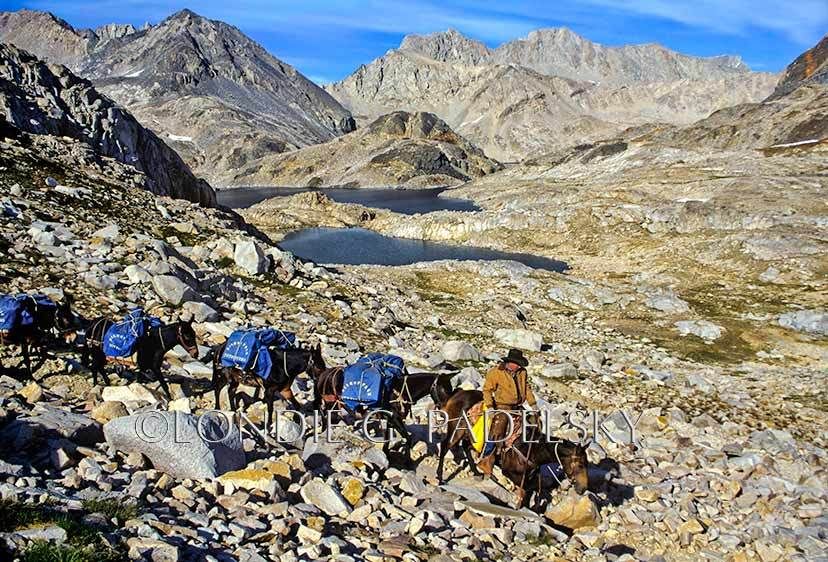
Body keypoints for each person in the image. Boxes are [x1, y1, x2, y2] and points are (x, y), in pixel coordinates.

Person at [478, 348, 538, 476]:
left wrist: (533, 404)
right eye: (515, 363)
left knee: (534, 424)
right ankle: (485, 458)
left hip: (518, 407)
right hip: (502, 406)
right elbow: (487, 390)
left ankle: (524, 456)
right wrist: (490, 407)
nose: (517, 366)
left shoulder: (522, 372)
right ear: (508, 362)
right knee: (497, 431)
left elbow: (526, 388)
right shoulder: (495, 372)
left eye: (518, 364)